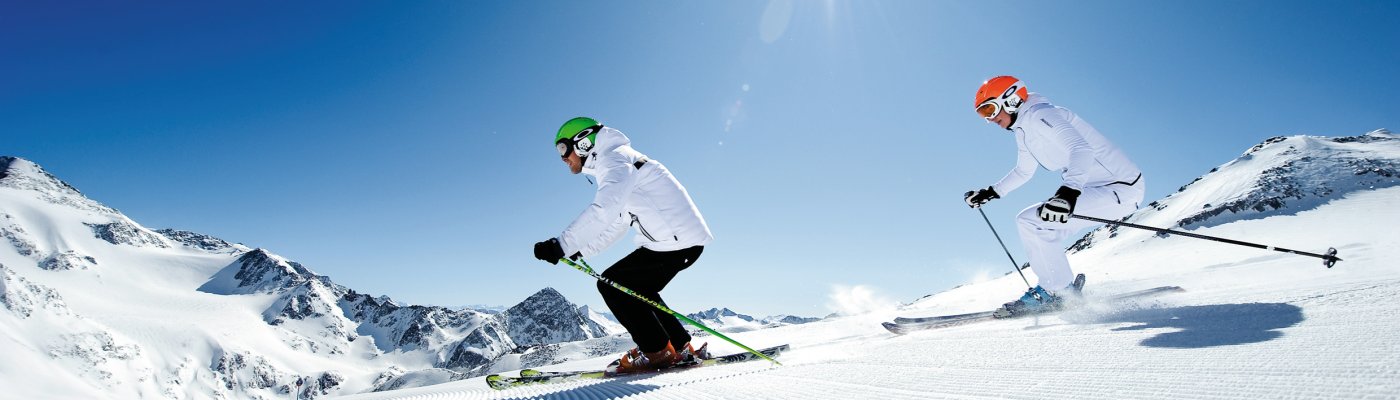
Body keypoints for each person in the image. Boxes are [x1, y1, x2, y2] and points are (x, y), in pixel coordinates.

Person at [533, 117, 715, 373]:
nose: (562, 158)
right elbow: (619, 221)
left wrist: (560, 244)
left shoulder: (615, 161)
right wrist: (581, 249)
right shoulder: (619, 160)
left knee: (613, 285)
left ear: (584, 142)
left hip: (675, 242)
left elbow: (604, 210)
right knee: (637, 288)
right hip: (677, 241)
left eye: (563, 149)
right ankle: (681, 347)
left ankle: (657, 353)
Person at [963, 76, 1145, 317]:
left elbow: (1081, 149)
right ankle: (1062, 291)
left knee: (1032, 222)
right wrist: (991, 192)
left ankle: (1057, 292)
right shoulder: (1023, 130)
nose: (989, 119)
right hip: (1097, 190)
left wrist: (1068, 192)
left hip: (1119, 188)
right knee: (1033, 223)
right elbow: (1023, 171)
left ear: (1011, 98)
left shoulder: (1042, 115)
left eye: (989, 109)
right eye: (982, 114)